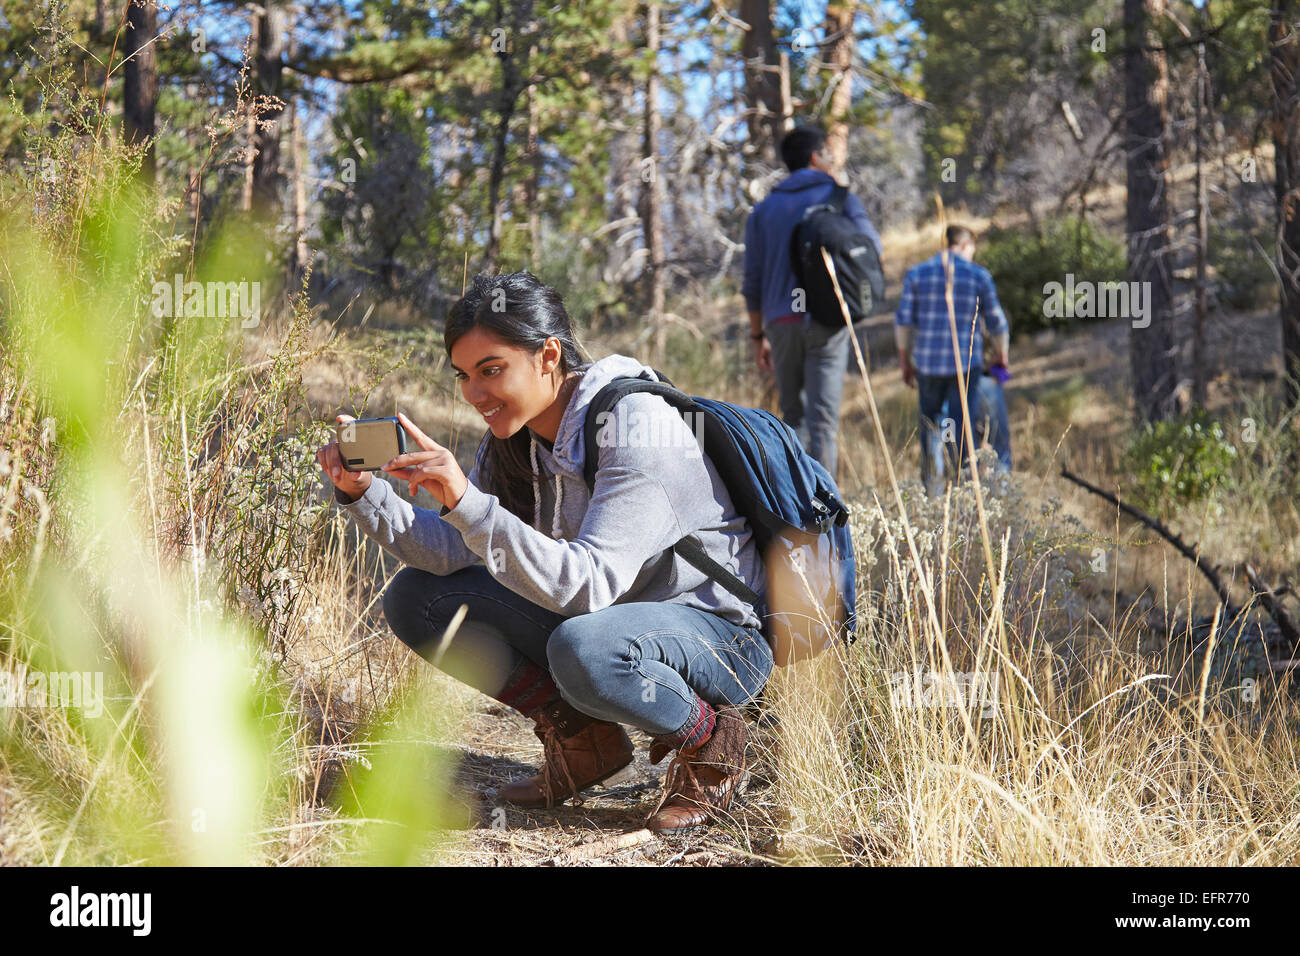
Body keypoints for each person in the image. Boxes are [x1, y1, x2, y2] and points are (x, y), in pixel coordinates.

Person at [315, 271, 772, 835]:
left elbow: (589, 586)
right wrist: (364, 494)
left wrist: (467, 502)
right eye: (463, 376)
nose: (474, 394)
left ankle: (710, 743)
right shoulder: (516, 438)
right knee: (420, 597)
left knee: (584, 647)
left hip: (719, 637)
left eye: (491, 370)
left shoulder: (636, 426)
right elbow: (450, 552)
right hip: (615, 622)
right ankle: (584, 742)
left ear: (548, 354)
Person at [742, 124, 883, 482]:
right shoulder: (841, 198)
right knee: (823, 422)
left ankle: (797, 512)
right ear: (815, 157)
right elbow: (871, 249)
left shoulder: (763, 210)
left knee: (793, 418)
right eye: (829, 153)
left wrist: (757, 337)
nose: (834, 160)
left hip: (780, 323)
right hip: (827, 319)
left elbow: (752, 281)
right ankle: (827, 512)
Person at [895, 225, 1009, 496]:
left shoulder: (917, 273)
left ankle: (932, 491)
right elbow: (998, 324)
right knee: (961, 425)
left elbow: (902, 323)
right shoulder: (978, 275)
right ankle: (964, 488)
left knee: (930, 426)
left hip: (928, 366)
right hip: (964, 367)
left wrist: (905, 362)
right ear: (967, 245)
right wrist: (1001, 357)